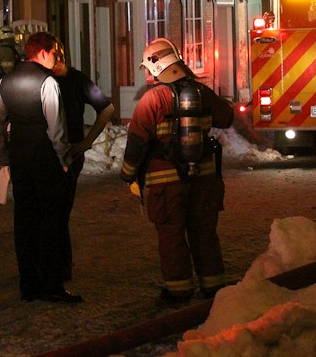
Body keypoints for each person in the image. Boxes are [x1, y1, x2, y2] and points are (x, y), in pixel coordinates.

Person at [119, 38, 235, 304]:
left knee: (172, 236)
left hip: (166, 184)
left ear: (156, 67)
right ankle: (213, 286)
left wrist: (127, 174)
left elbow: (137, 142)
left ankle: (179, 290)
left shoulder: (152, 100)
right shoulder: (201, 93)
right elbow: (226, 118)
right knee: (204, 233)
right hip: (204, 179)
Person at [0, 31, 81, 304]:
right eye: (54, 53)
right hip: (45, 159)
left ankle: (28, 285)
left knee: (25, 222)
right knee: (51, 223)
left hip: (20, 158)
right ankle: (52, 285)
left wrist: (4, 157)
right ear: (43, 52)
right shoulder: (47, 82)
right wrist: (64, 159)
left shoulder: (6, 82)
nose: (56, 59)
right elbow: (56, 127)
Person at [52, 39, 116, 282]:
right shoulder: (70, 79)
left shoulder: (74, 79)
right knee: (57, 212)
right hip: (64, 152)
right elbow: (107, 108)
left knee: (57, 212)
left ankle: (59, 267)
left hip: (68, 153)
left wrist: (88, 141)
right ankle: (57, 266)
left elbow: (106, 108)